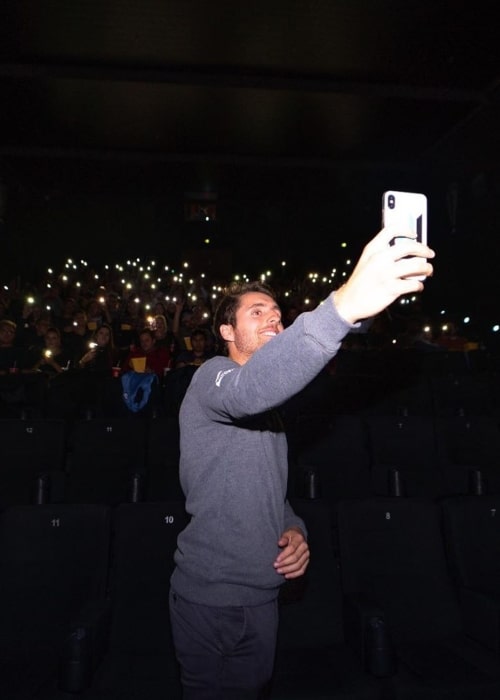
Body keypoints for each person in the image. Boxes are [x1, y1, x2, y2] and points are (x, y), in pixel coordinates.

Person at [169, 227, 435, 698]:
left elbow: (271, 495)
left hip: (264, 596)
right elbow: (250, 390)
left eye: (277, 313)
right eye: (257, 312)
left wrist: (294, 529)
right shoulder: (213, 378)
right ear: (227, 331)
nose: (274, 319)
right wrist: (342, 307)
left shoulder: (272, 408)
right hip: (210, 597)